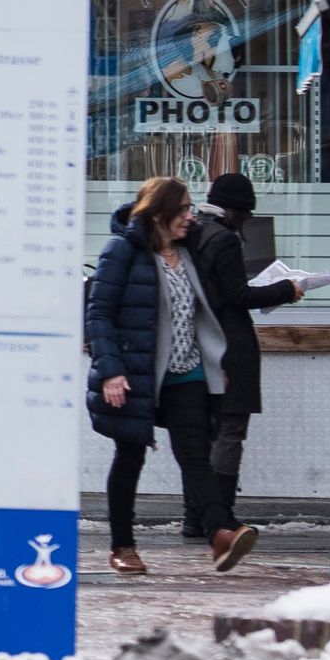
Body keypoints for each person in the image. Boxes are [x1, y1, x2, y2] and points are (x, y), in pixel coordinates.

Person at [87, 174, 245, 573]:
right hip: (135, 370)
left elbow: (199, 314)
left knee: (195, 455)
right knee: (130, 455)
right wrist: (110, 370)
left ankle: (220, 535)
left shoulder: (188, 252)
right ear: (158, 214)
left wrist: (213, 363)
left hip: (185, 370)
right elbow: (99, 313)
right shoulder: (122, 251)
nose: (190, 217)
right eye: (183, 209)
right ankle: (122, 545)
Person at [188, 169, 307, 567]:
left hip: (202, 341)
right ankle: (221, 518)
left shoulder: (195, 233)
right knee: (230, 432)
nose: (246, 222)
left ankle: (198, 516)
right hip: (230, 345)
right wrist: (286, 290)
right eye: (246, 214)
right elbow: (237, 295)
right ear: (236, 210)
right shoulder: (222, 239)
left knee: (206, 431)